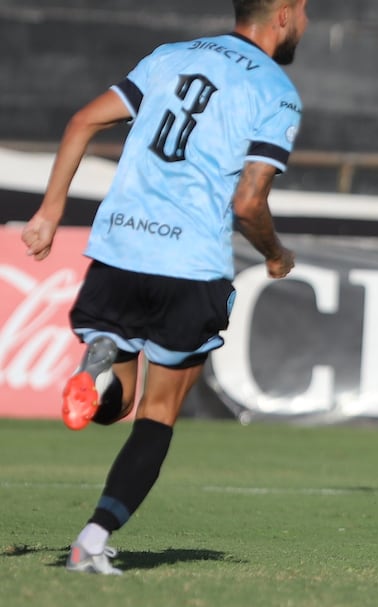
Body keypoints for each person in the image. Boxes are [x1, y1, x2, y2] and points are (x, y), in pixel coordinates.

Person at [20, 0, 309, 573]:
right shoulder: (276, 91)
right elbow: (248, 202)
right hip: (190, 263)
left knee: (117, 403)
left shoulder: (170, 57)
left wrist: (49, 215)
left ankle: (95, 365)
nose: (305, 24)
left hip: (121, 248)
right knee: (155, 411)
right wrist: (276, 255)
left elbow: (82, 120)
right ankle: (93, 539)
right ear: (283, 14)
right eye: (304, 13)